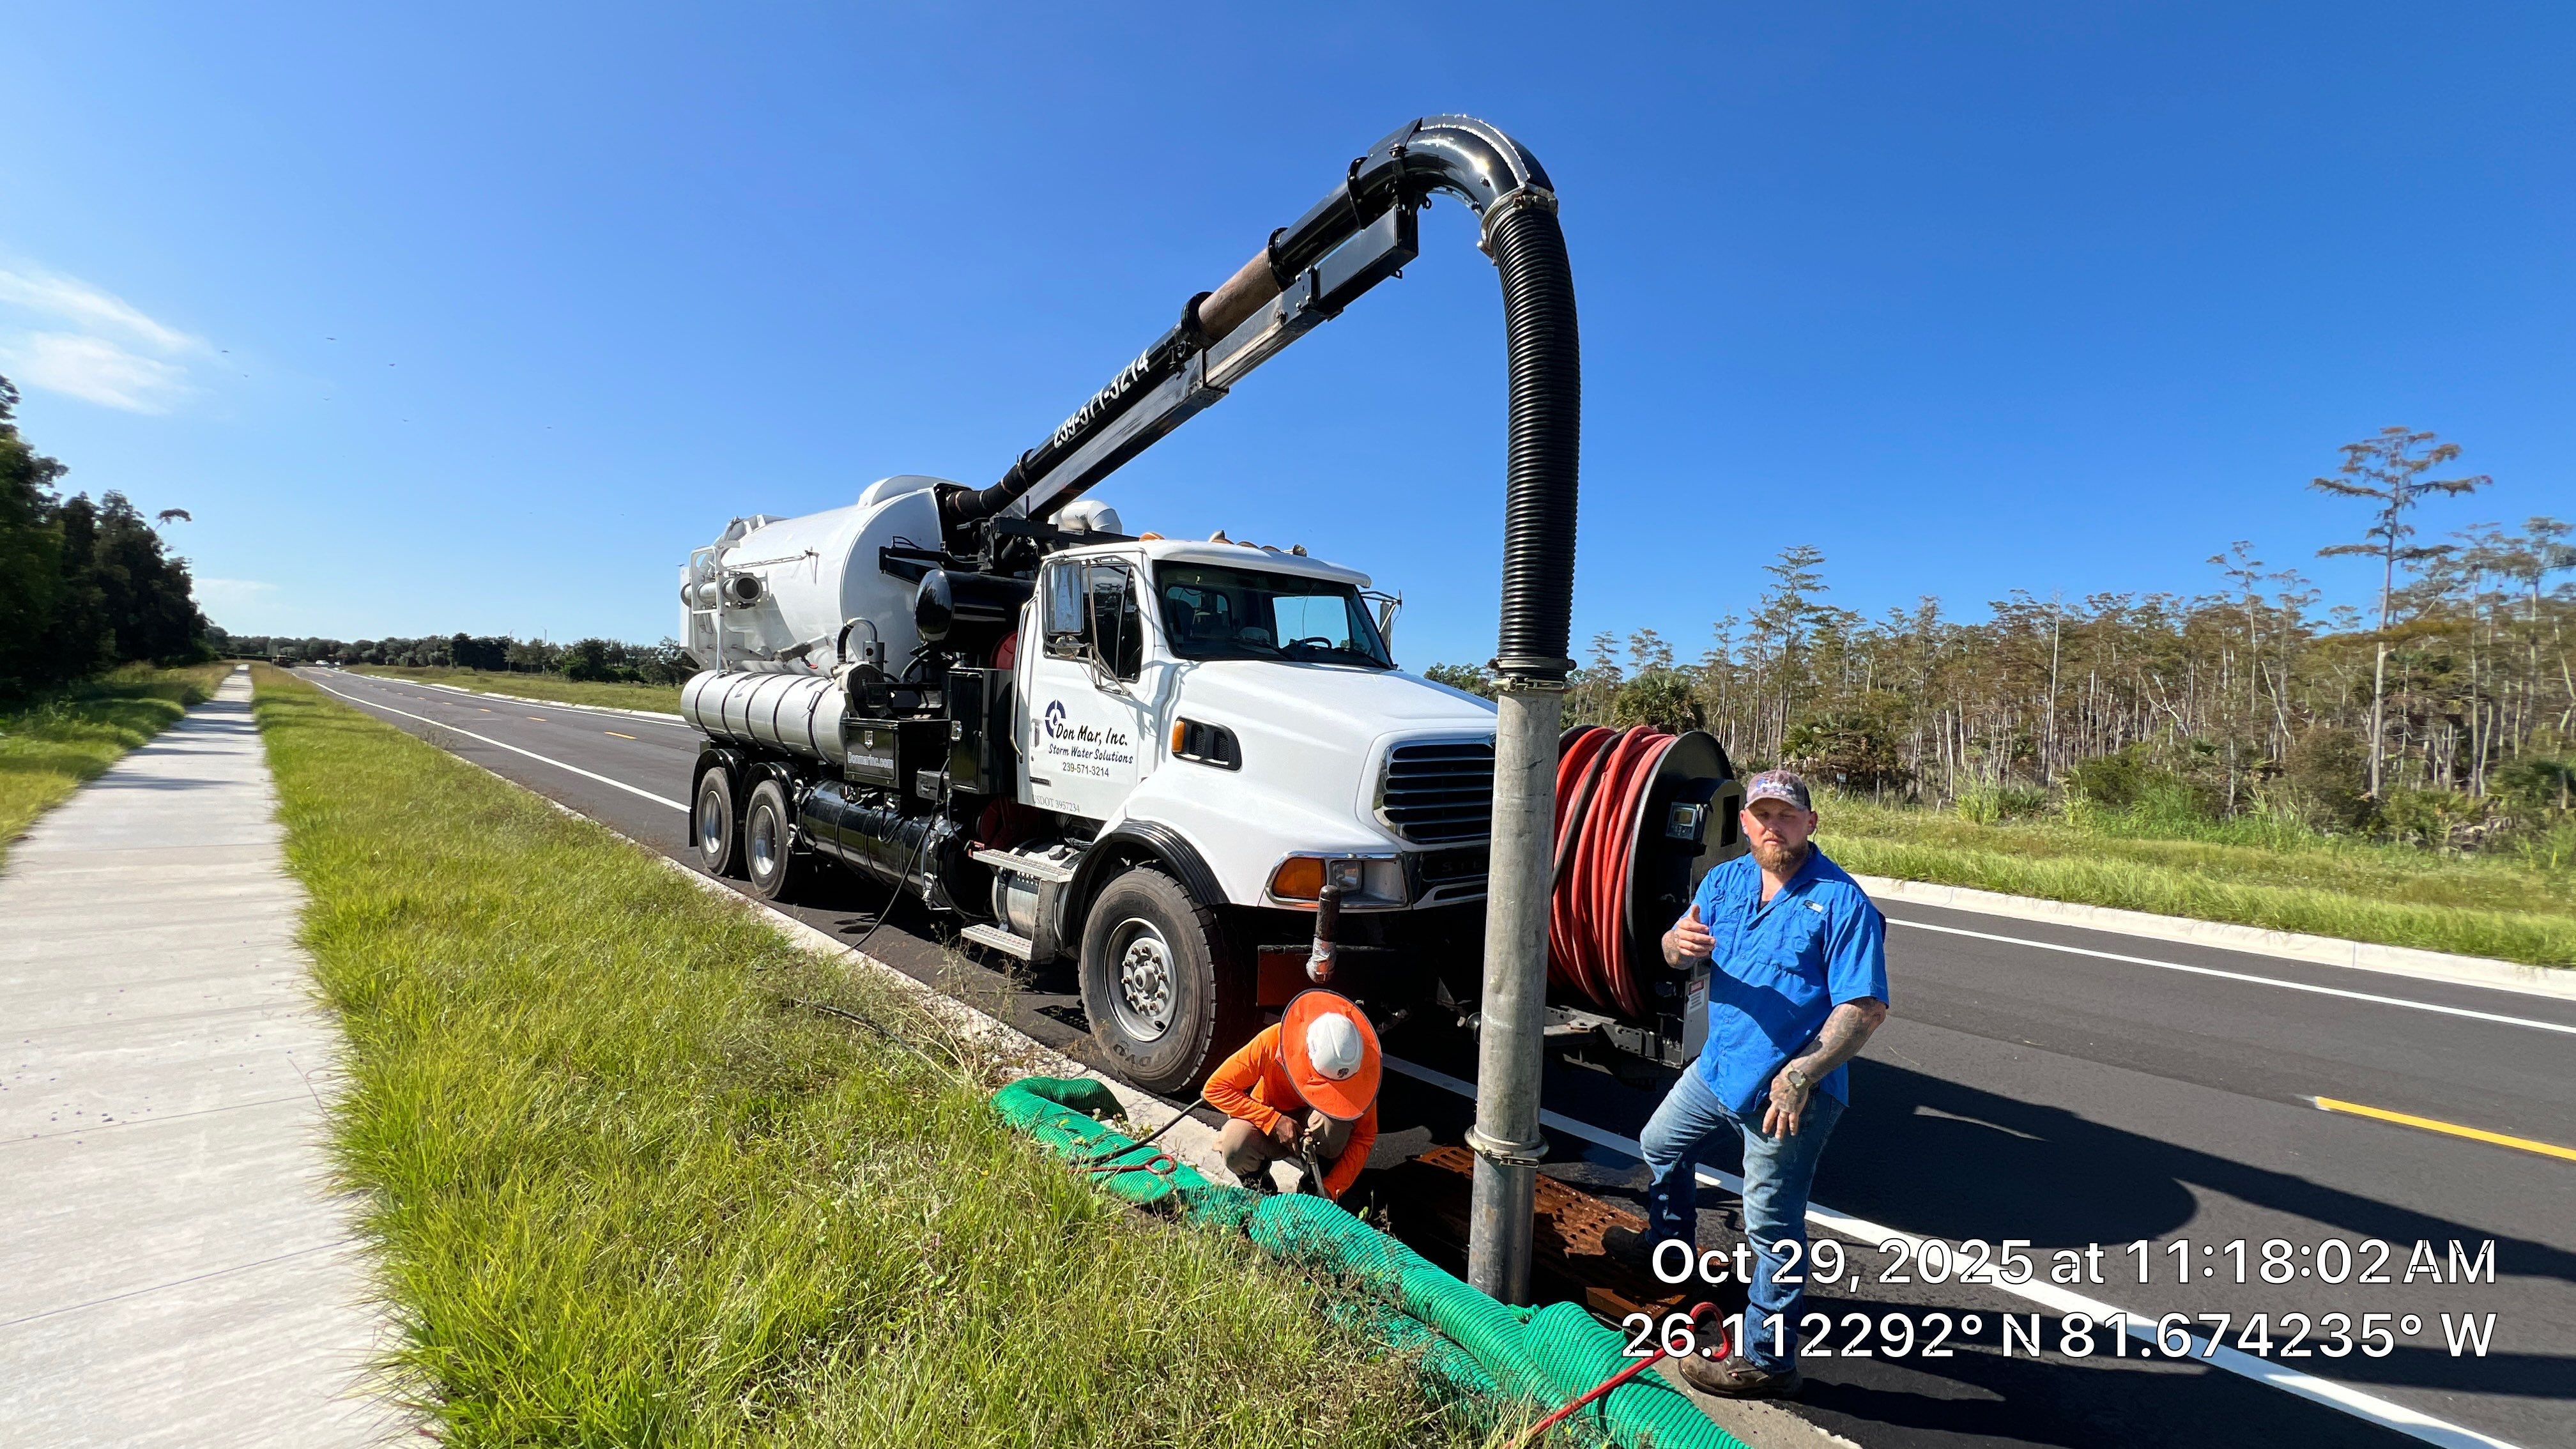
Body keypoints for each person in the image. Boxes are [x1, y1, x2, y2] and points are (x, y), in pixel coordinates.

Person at [1644, 769, 1889, 1399]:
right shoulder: (1724, 881)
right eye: (1762, 816)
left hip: (1790, 1096)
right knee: (1660, 1144)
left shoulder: (1842, 903)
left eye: (1786, 815)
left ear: (1810, 824)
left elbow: (1863, 1008)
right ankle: (1669, 1251)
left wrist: (1802, 1071)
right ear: (1746, 824)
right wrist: (1676, 942)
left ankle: (1767, 1361)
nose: (1772, 826)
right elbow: (1677, 951)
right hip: (1719, 1070)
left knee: (1772, 1228)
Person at [1204, 990, 1381, 1202]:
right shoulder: (1273, 1041)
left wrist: (1332, 1188)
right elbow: (1215, 1088)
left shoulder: (1362, 1069)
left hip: (1314, 1131)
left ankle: (1312, 1189)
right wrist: (1272, 1121)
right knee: (1235, 1144)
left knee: (1336, 1127)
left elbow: (1364, 1137)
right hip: (1267, 1123)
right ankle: (1263, 1195)